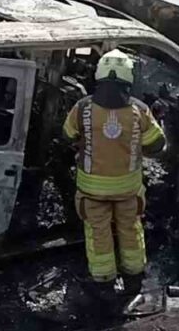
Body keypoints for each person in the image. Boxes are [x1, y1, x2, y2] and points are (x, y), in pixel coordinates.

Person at [63, 50, 167, 311]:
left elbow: (66, 135)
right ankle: (134, 280)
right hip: (127, 189)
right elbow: (157, 145)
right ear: (128, 77)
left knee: (98, 233)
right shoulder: (139, 110)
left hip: (92, 189)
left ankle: (104, 282)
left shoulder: (83, 107)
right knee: (130, 229)